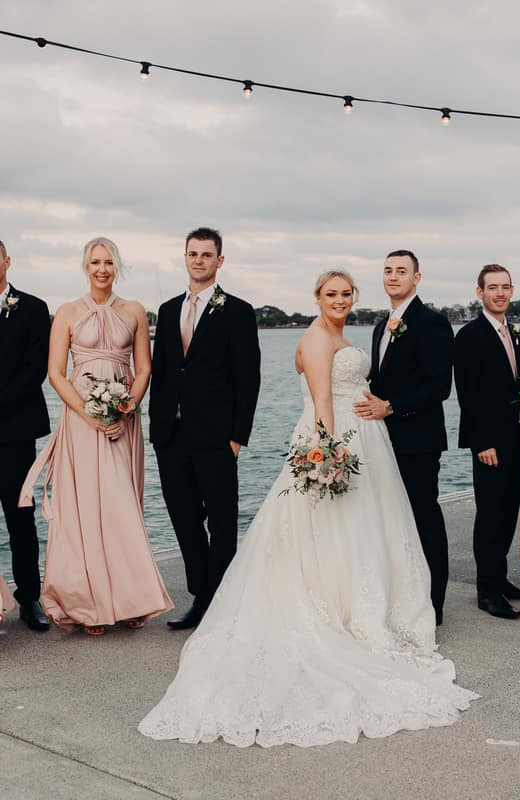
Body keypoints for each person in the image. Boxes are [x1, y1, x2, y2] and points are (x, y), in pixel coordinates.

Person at [138, 270, 477, 748]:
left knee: (359, 530)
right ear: (316, 297)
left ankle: (362, 602)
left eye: (345, 294)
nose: (339, 300)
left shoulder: (343, 332)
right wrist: (326, 456)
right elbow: (322, 403)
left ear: (353, 297)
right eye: (330, 294)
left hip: (364, 441)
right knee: (331, 530)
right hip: (336, 441)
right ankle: (337, 609)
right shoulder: (318, 337)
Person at [19, 237, 173, 635]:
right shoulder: (67, 312)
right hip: (82, 423)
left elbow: (144, 369)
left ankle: (130, 600)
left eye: (108, 262)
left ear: (116, 266)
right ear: (85, 267)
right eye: (95, 262)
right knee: (85, 510)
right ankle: (88, 605)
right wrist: (90, 414)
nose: (102, 269)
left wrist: (126, 407)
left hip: (124, 421)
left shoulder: (135, 310)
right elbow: (55, 373)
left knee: (122, 508)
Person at [150, 227, 261, 630]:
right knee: (183, 517)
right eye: (193, 254)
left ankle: (221, 599)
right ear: (185, 257)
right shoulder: (166, 310)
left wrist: (236, 437)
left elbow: (248, 378)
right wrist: (156, 428)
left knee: (222, 519)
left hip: (217, 438)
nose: (199, 260)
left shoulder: (237, 311)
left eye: (207, 254)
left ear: (220, 261)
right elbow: (164, 372)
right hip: (171, 436)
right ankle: (202, 594)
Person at [355, 250, 452, 626]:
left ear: (417, 278)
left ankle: (435, 601)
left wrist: (391, 407)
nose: (393, 277)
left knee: (424, 514)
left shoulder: (432, 322)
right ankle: (405, 591)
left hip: (418, 438)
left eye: (402, 271)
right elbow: (380, 381)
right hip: (383, 439)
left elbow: (439, 386)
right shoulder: (383, 324)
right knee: (393, 516)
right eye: (388, 271)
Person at [454, 264, 520, 621]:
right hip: (490, 444)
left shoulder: (515, 333)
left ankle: (500, 579)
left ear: (511, 290)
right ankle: (488, 591)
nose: (499, 293)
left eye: (505, 287)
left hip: (518, 436)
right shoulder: (470, 336)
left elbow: (519, 381)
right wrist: (481, 443)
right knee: (489, 515)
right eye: (492, 287)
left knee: (509, 510)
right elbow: (468, 394)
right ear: (479, 292)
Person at [0, 238, 51, 632]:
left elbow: (35, 371)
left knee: (21, 518)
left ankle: (29, 597)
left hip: (15, 433)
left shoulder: (33, 309)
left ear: (7, 261)